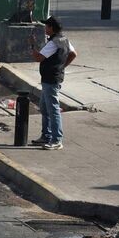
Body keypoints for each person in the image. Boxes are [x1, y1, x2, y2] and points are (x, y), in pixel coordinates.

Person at [32, 16, 77, 150]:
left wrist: (32, 44)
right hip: (54, 77)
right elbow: (73, 54)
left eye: (46, 26)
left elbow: (38, 57)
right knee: (44, 108)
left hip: (50, 79)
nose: (45, 28)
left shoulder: (53, 43)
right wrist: (62, 66)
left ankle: (56, 140)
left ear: (51, 28)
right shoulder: (64, 39)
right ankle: (46, 135)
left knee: (52, 110)